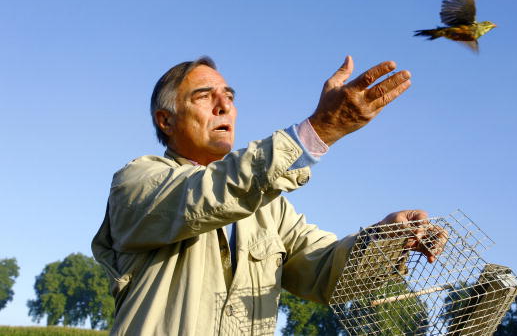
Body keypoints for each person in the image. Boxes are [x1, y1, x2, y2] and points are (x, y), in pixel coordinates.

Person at [92, 55, 440, 335]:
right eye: (204, 96)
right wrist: (316, 132)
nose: (224, 106)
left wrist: (388, 237)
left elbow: (326, 274)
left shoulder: (270, 210)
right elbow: (207, 196)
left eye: (229, 96)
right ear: (165, 120)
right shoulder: (137, 182)